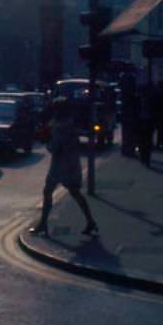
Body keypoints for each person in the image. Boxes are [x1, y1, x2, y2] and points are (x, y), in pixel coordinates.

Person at [30, 97, 98, 237]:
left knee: (47, 191)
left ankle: (43, 223)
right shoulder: (69, 124)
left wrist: (46, 142)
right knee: (75, 192)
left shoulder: (59, 127)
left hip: (60, 165)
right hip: (72, 163)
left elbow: (55, 148)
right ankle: (90, 221)